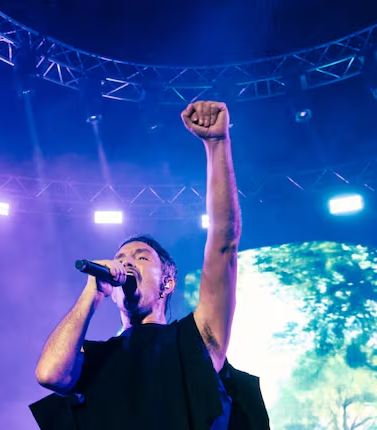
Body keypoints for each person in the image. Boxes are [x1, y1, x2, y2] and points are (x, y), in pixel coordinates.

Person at [31, 101, 269, 429]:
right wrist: (92, 293)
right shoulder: (94, 358)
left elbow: (223, 244)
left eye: (141, 257)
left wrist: (217, 144)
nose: (127, 264)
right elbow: (49, 374)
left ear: (167, 283)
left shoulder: (194, 340)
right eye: (121, 260)